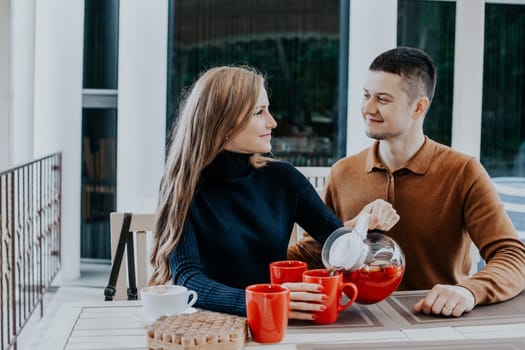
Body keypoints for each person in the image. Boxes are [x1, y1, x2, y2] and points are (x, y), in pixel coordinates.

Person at [289, 47, 525, 317]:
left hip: (436, 320)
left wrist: (470, 291)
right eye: (366, 96)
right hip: (353, 317)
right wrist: (349, 231)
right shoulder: (342, 172)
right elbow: (305, 258)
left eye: (383, 99)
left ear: (419, 107)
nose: (368, 108)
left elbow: (513, 255)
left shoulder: (464, 171)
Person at [148, 65, 399, 319]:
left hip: (275, 325)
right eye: (259, 112)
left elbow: (335, 238)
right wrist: (265, 300)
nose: (273, 122)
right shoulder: (183, 188)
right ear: (222, 123)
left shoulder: (284, 179)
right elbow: (189, 281)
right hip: (210, 329)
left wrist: (365, 227)